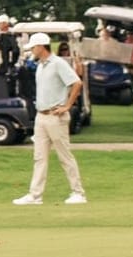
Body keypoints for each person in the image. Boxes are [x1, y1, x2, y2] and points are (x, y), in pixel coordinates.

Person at [13, 33, 87, 205]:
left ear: (41, 47)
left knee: (64, 156)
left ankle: (78, 193)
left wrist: (67, 105)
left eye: (33, 47)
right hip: (41, 116)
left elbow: (76, 83)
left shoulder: (58, 63)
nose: (32, 50)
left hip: (56, 116)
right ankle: (35, 195)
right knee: (39, 157)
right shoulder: (41, 66)